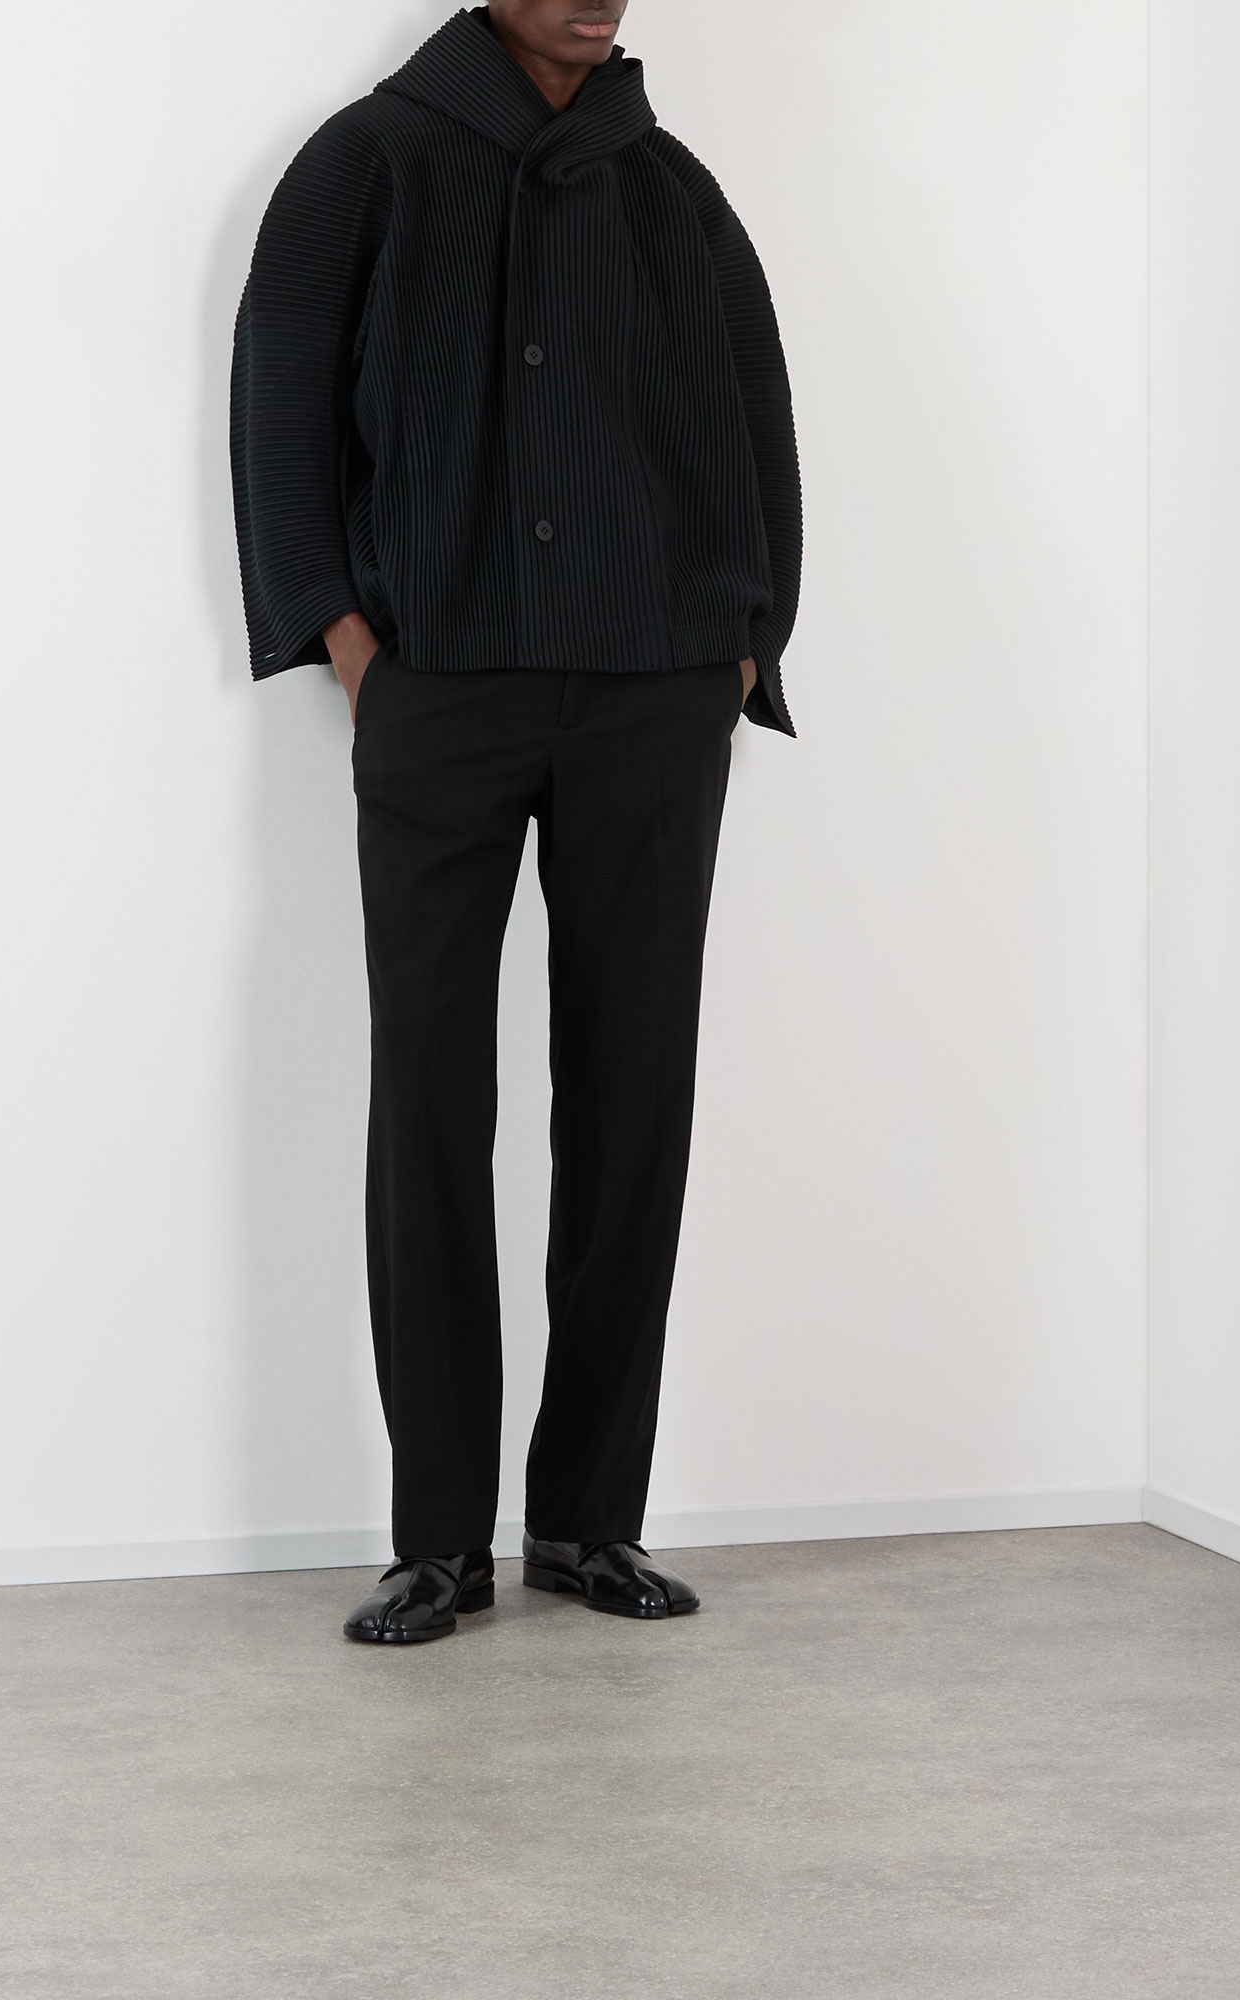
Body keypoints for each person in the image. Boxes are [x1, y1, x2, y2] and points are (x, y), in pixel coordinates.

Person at [230, 0, 801, 1644]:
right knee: (430, 1097)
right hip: (443, 690)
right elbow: (279, 420)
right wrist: (352, 646)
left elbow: (757, 432)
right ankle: (436, 1540)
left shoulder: (674, 192)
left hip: (653, 694)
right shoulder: (366, 164)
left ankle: (587, 1521)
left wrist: (740, 644)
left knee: (633, 1099)